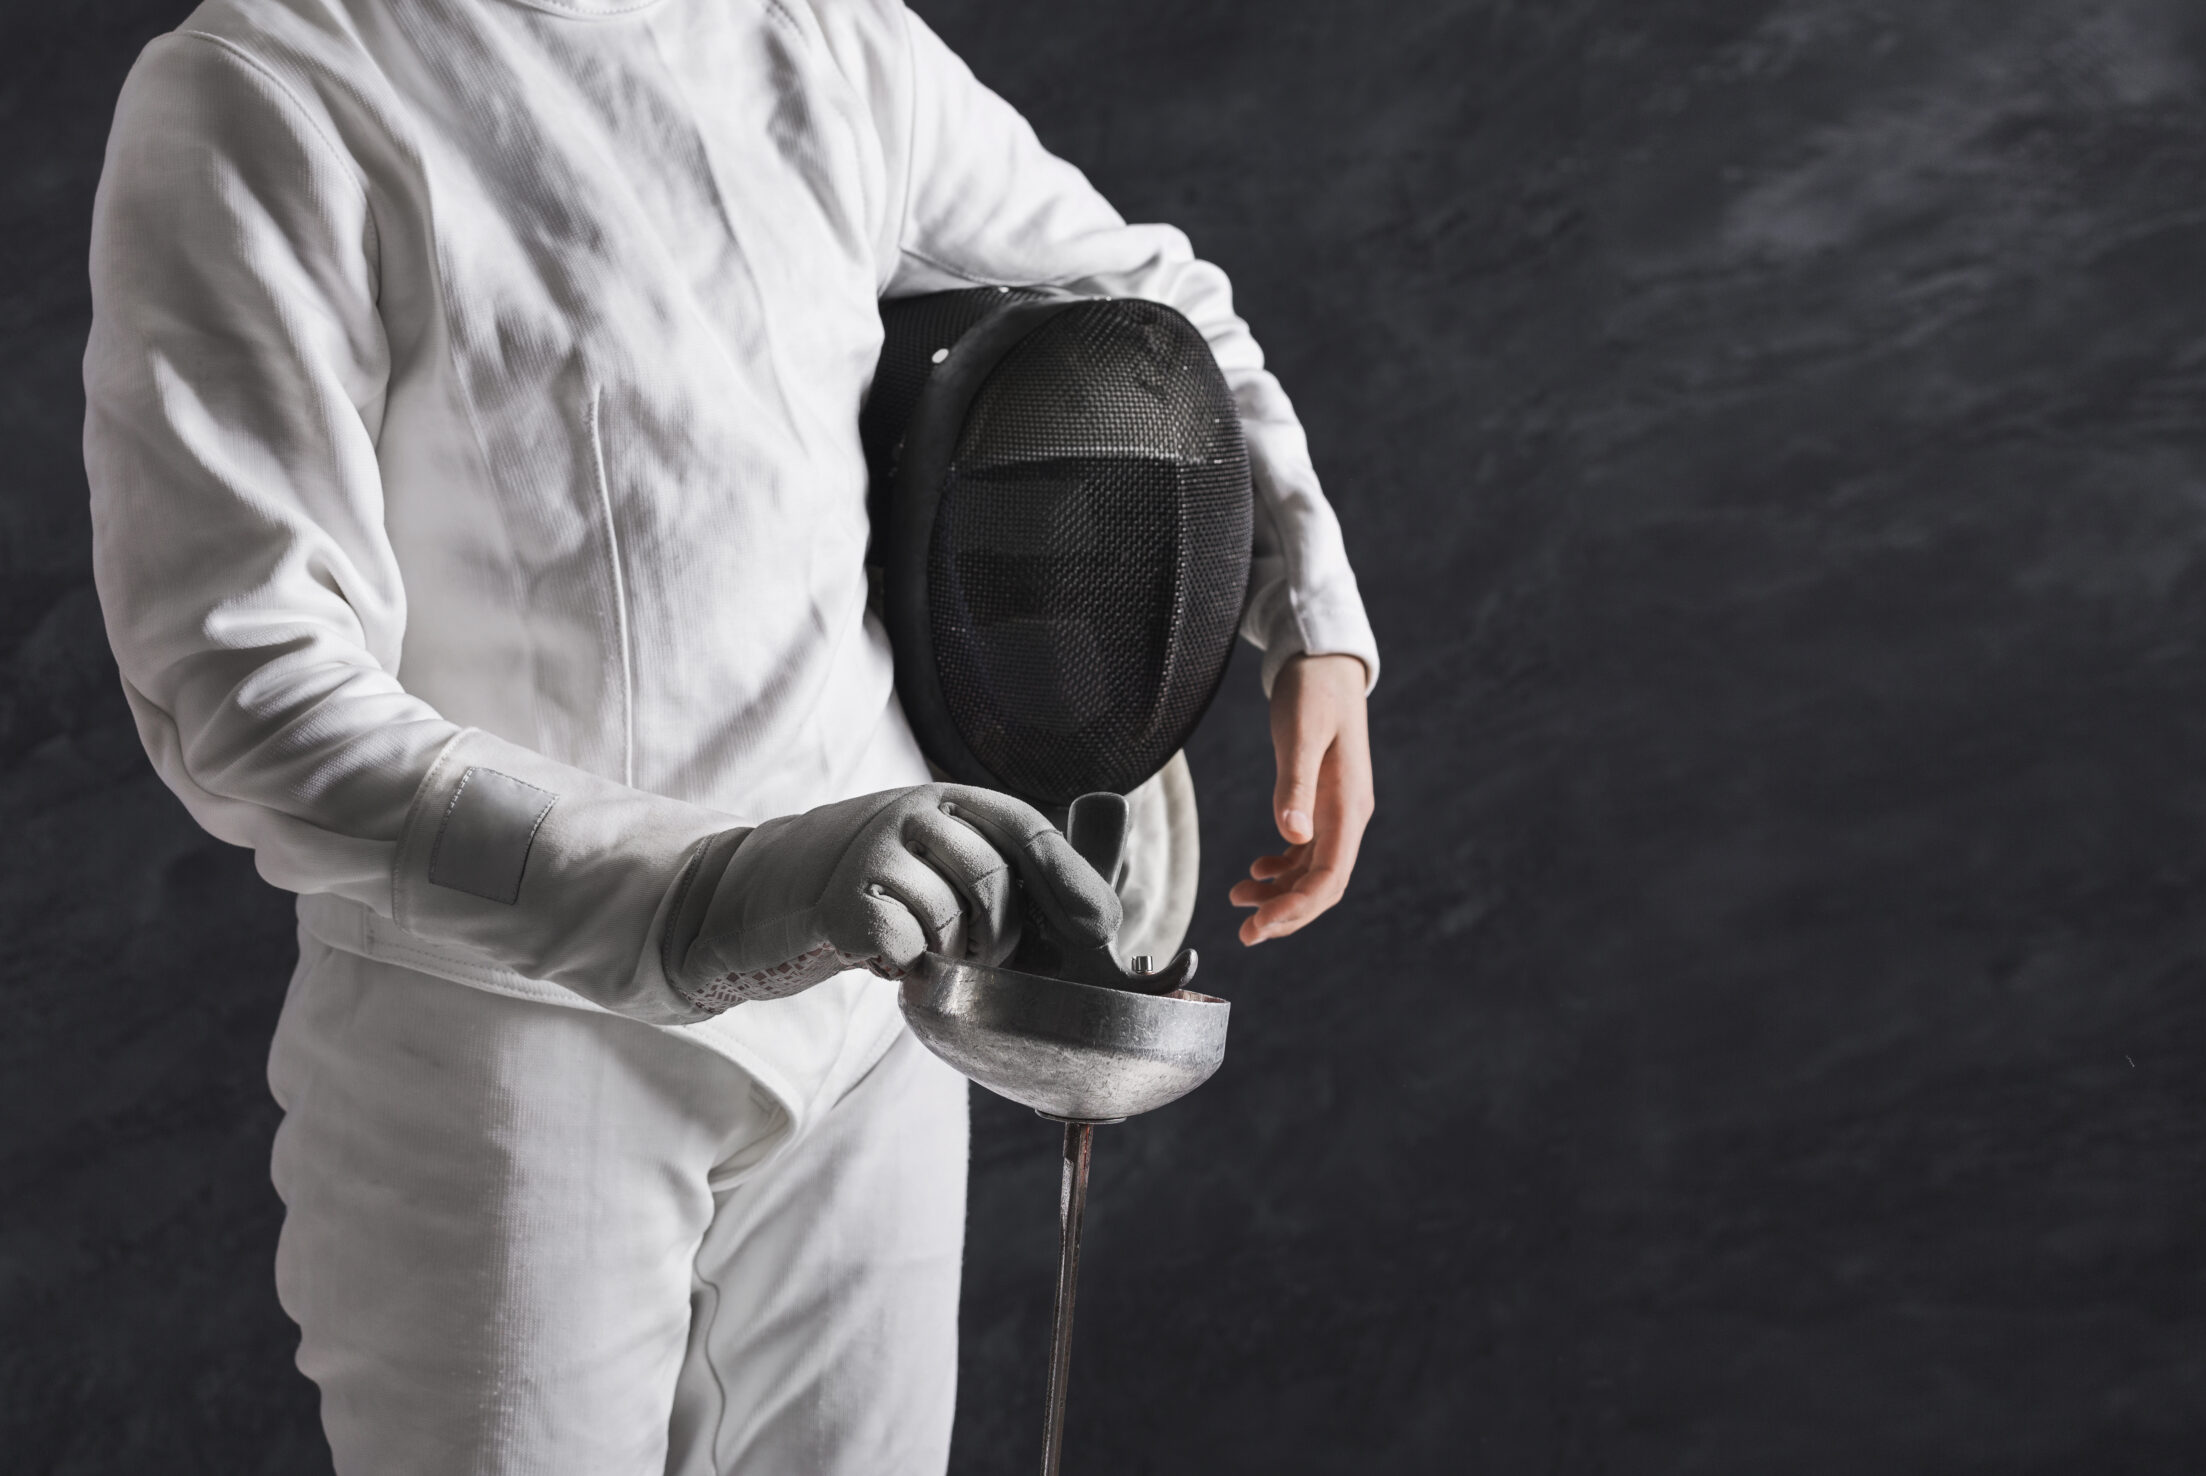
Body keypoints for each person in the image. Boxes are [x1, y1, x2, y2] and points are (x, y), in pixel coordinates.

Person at [82, 0, 1377, 1470]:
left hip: (872, 1015)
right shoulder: (276, 85)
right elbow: (246, 689)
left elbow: (1153, 309)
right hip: (508, 1055)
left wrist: (1304, 613)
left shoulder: (823, 38)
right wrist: (703, 895)